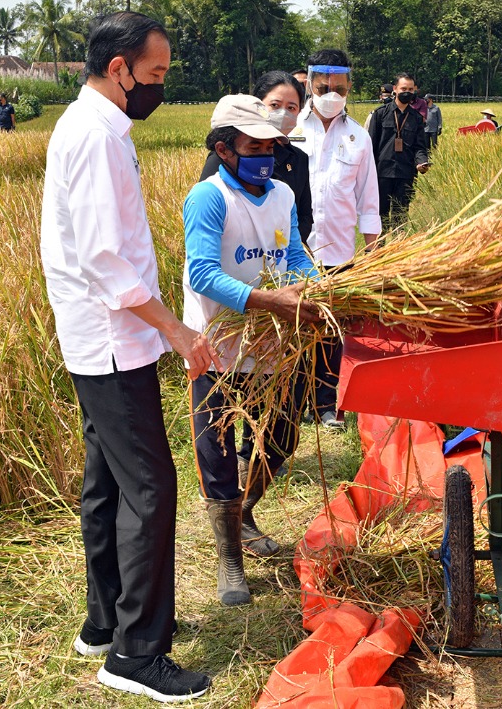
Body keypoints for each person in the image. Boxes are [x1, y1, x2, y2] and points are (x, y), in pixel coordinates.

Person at [40, 11, 218, 703]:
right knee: (150, 486)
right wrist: (177, 330)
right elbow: (106, 258)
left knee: (110, 482)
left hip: (99, 337)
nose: (159, 87)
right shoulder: (96, 136)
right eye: (155, 73)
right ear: (119, 69)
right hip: (112, 340)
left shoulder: (96, 125)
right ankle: (137, 652)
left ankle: (106, 620)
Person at [183, 94, 321, 605]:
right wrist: (269, 301)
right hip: (217, 344)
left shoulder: (281, 193)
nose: (265, 156)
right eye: (253, 147)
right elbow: (202, 273)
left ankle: (242, 514)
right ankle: (230, 561)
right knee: (216, 450)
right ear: (223, 150)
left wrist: (310, 285)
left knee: (280, 436)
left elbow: (293, 253)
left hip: (272, 341)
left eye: (270, 147)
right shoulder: (209, 197)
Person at [289, 49, 381, 429]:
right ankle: (292, 401)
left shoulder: (359, 137)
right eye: (324, 86)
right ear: (310, 83)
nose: (332, 94)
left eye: (339, 88)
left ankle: (326, 404)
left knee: (331, 331)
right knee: (294, 329)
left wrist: (374, 252)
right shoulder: (291, 129)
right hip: (293, 251)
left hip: (339, 252)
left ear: (349, 87)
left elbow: (368, 201)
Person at [200, 71, 312, 246]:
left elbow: (304, 216)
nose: (283, 113)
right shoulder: (225, 159)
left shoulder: (299, 159)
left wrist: (285, 246)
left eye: (291, 108)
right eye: (275, 105)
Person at [368, 72, 431, 228]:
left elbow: (420, 147)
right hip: (382, 173)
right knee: (380, 214)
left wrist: (421, 162)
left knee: (400, 215)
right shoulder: (380, 114)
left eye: (410, 89)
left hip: (406, 173)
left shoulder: (416, 118)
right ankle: (380, 243)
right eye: (403, 89)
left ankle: (399, 242)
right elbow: (370, 146)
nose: (407, 92)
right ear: (395, 89)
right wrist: (368, 173)